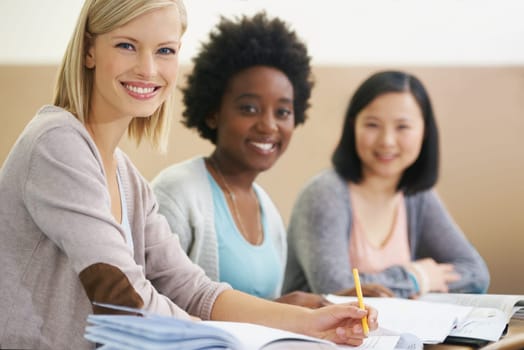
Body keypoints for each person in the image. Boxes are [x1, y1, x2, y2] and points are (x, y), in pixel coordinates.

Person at [0, 1, 377, 349]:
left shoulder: (129, 179)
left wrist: (311, 323)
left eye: (165, 50)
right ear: (89, 50)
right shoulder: (57, 143)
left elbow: (192, 288)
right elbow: (122, 299)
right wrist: (219, 339)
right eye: (127, 45)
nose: (148, 68)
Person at [283, 70, 490, 299]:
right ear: (353, 127)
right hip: (316, 334)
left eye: (402, 127)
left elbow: (475, 273)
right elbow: (337, 289)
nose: (387, 141)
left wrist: (396, 284)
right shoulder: (324, 194)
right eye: (372, 125)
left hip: (390, 333)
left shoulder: (416, 195)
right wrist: (416, 278)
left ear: (424, 132)